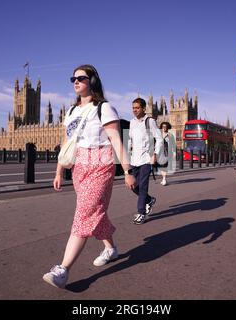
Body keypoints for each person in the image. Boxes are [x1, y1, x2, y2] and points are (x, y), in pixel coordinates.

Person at [42, 64, 136, 289]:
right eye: (73, 78)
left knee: (84, 214)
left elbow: (116, 140)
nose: (76, 81)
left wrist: (128, 171)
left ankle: (62, 270)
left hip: (100, 165)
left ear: (92, 81)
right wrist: (59, 170)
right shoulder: (72, 111)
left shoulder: (104, 108)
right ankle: (111, 249)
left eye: (81, 78)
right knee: (94, 213)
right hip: (79, 167)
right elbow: (66, 143)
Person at [129, 98, 163, 224]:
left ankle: (141, 213)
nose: (134, 110)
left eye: (137, 108)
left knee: (143, 186)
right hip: (134, 159)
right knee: (133, 186)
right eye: (133, 108)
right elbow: (129, 140)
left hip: (146, 159)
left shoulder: (150, 122)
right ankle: (149, 200)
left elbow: (159, 139)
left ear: (144, 108)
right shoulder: (132, 122)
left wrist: (155, 154)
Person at [158, 121, 175, 186]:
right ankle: (163, 178)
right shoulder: (159, 135)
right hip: (160, 152)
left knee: (164, 165)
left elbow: (173, 144)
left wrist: (174, 153)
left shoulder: (170, 135)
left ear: (168, 127)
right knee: (161, 166)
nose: (164, 128)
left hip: (167, 152)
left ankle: (164, 179)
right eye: (163, 127)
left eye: (165, 127)